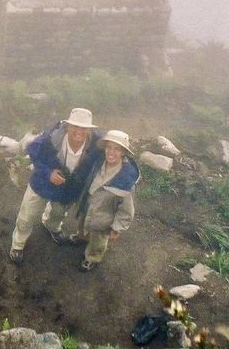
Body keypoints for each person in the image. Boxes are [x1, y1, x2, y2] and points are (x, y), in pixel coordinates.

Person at [8, 107, 103, 265]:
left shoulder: (96, 142)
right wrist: (48, 172)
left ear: (89, 129)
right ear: (68, 126)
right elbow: (32, 150)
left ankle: (51, 225)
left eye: (84, 128)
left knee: (58, 213)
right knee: (27, 215)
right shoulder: (52, 137)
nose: (79, 131)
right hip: (42, 184)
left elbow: (111, 154)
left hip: (68, 188)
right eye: (75, 126)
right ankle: (17, 244)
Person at [71, 129, 139, 272]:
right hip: (88, 204)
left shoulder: (126, 178)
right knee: (83, 223)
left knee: (98, 239)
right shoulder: (98, 162)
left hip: (104, 216)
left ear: (123, 153)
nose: (111, 152)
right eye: (109, 147)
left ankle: (92, 258)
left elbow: (127, 210)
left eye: (117, 149)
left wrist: (117, 228)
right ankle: (82, 237)